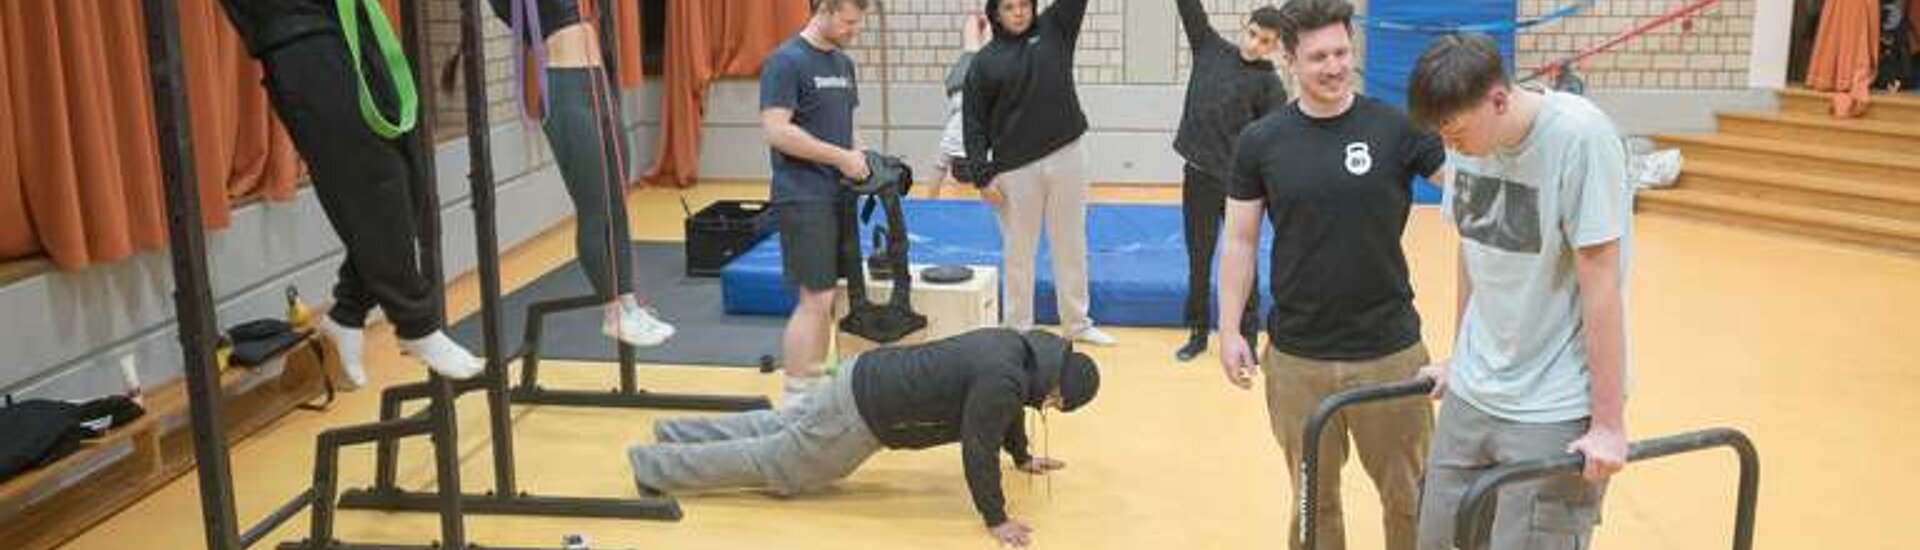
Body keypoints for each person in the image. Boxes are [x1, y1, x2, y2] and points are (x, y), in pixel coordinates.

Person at [1214, 0, 1448, 547]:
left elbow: (1471, 192)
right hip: (1299, 359)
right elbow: (1241, 240)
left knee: (1412, 499)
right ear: (1290, 60)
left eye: (1342, 52)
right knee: (1312, 506)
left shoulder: (1395, 127)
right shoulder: (1262, 142)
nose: (1335, 66)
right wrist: (1229, 330)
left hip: (1389, 352)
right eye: (1318, 56)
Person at [1405, 33, 1632, 550]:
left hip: (1552, 403)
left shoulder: (1579, 139)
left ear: (1499, 100)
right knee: (1436, 537)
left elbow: (1602, 286)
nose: (1450, 148)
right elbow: (1474, 254)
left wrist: (1608, 424)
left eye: (1457, 133)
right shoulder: (1466, 141)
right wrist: (1458, 357)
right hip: (1475, 391)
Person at [626, 328, 1100, 548]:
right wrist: (996, 519)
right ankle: (653, 467)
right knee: (779, 465)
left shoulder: (1017, 351)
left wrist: (1021, 457)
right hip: (862, 416)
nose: (1049, 407)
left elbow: (1006, 416)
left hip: (860, 374)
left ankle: (673, 432)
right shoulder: (1006, 381)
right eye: (1058, 402)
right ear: (1056, 386)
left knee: (775, 427)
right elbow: (979, 444)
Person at [216, 0, 483, 387]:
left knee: (408, 175)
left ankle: (347, 314)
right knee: (374, 179)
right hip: (300, 31)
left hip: (348, 18)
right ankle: (415, 324)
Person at [482, 0, 676, 348]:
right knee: (595, 205)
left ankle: (629, 302)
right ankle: (612, 312)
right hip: (565, 88)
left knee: (617, 200)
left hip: (596, 80)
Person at [957, 0, 1117, 347]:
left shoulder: (1054, 29)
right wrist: (982, 176)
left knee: (1071, 243)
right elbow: (973, 124)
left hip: (1067, 154)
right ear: (995, 14)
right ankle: (1018, 329)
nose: (1018, 12)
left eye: (1024, 5)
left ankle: (1077, 323)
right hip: (1015, 169)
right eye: (1009, 7)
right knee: (1019, 252)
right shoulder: (984, 63)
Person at [760, 0, 873, 402]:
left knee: (830, 298)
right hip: (803, 195)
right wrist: (842, 158)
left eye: (857, 23)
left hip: (837, 196)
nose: (853, 31)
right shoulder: (786, 62)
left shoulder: (843, 65)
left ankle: (817, 385)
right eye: (847, 22)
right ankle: (796, 395)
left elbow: (848, 127)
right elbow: (777, 131)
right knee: (815, 297)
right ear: (823, 10)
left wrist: (865, 158)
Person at [1170, 0, 1289, 362]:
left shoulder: (1269, 84)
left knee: (1243, 259)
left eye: (1265, 42)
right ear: (1245, 25)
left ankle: (1247, 335)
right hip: (1198, 176)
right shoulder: (1209, 46)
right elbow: (1188, 8)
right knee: (1199, 256)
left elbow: (1273, 144)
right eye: (1253, 35)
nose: (1255, 45)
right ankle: (1196, 332)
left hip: (1241, 186)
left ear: (1276, 46)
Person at [934, 13, 993, 195]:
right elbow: (938, 169)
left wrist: (929, 199)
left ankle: (987, 20)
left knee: (985, 48)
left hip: (981, 85)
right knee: (970, 47)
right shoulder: (950, 142)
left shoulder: (982, 149)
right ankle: (975, 19)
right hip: (958, 86)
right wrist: (930, 197)